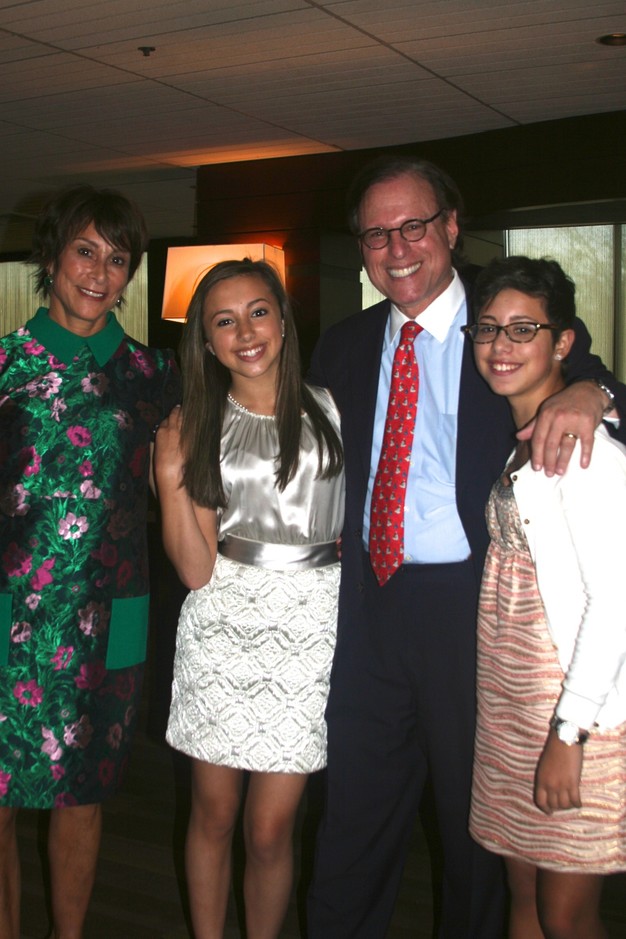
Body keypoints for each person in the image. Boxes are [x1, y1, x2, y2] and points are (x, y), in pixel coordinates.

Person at [305, 154, 626, 938]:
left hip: (476, 610)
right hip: (370, 606)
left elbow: (591, 379)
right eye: (376, 234)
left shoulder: (504, 324)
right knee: (353, 814)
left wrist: (597, 391)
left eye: (414, 225)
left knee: (477, 832)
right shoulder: (341, 345)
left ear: (451, 227)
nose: (397, 247)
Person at [0, 185, 180, 939]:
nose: (100, 273)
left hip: (110, 615)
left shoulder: (155, 373)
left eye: (117, 258)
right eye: (85, 251)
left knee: (83, 794)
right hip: (8, 614)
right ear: (52, 256)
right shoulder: (6, 363)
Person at [153, 258, 344, 939]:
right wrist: (169, 476)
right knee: (213, 814)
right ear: (206, 342)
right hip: (223, 624)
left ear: (284, 320)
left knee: (270, 828)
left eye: (258, 312)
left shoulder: (335, 407)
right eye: (224, 321)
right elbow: (195, 570)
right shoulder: (197, 425)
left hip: (312, 625)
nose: (245, 333)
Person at [467, 256, 626, 939]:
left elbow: (616, 601)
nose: (500, 345)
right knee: (524, 889)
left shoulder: (587, 454)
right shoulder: (524, 442)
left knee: (566, 912)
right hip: (510, 708)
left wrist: (568, 733)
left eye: (522, 328)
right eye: (488, 328)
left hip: (577, 714)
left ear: (562, 342)